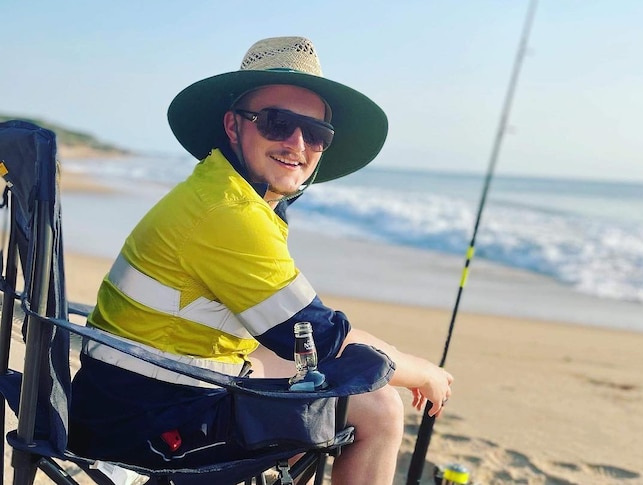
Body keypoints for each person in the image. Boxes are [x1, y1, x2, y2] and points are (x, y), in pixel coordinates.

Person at [68, 36, 453, 483]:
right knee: (378, 408)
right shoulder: (228, 215)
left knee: (306, 380)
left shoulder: (219, 191)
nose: (297, 143)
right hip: (148, 422)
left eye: (316, 133)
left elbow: (285, 332)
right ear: (234, 127)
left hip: (130, 391)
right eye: (276, 122)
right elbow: (322, 340)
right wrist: (422, 371)